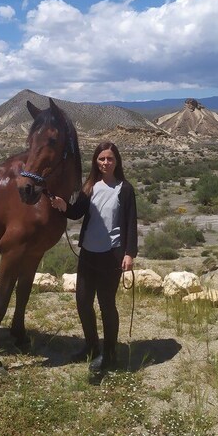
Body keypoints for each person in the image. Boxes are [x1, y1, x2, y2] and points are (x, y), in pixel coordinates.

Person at [49, 141, 138, 374]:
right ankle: (91, 346)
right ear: (95, 162)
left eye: (109, 158)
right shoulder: (89, 187)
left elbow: (131, 223)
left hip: (112, 255)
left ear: (116, 161)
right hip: (88, 253)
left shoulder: (124, 189)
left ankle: (109, 354)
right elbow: (77, 212)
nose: (105, 163)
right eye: (101, 159)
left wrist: (129, 253)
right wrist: (62, 205)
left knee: (107, 305)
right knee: (83, 302)